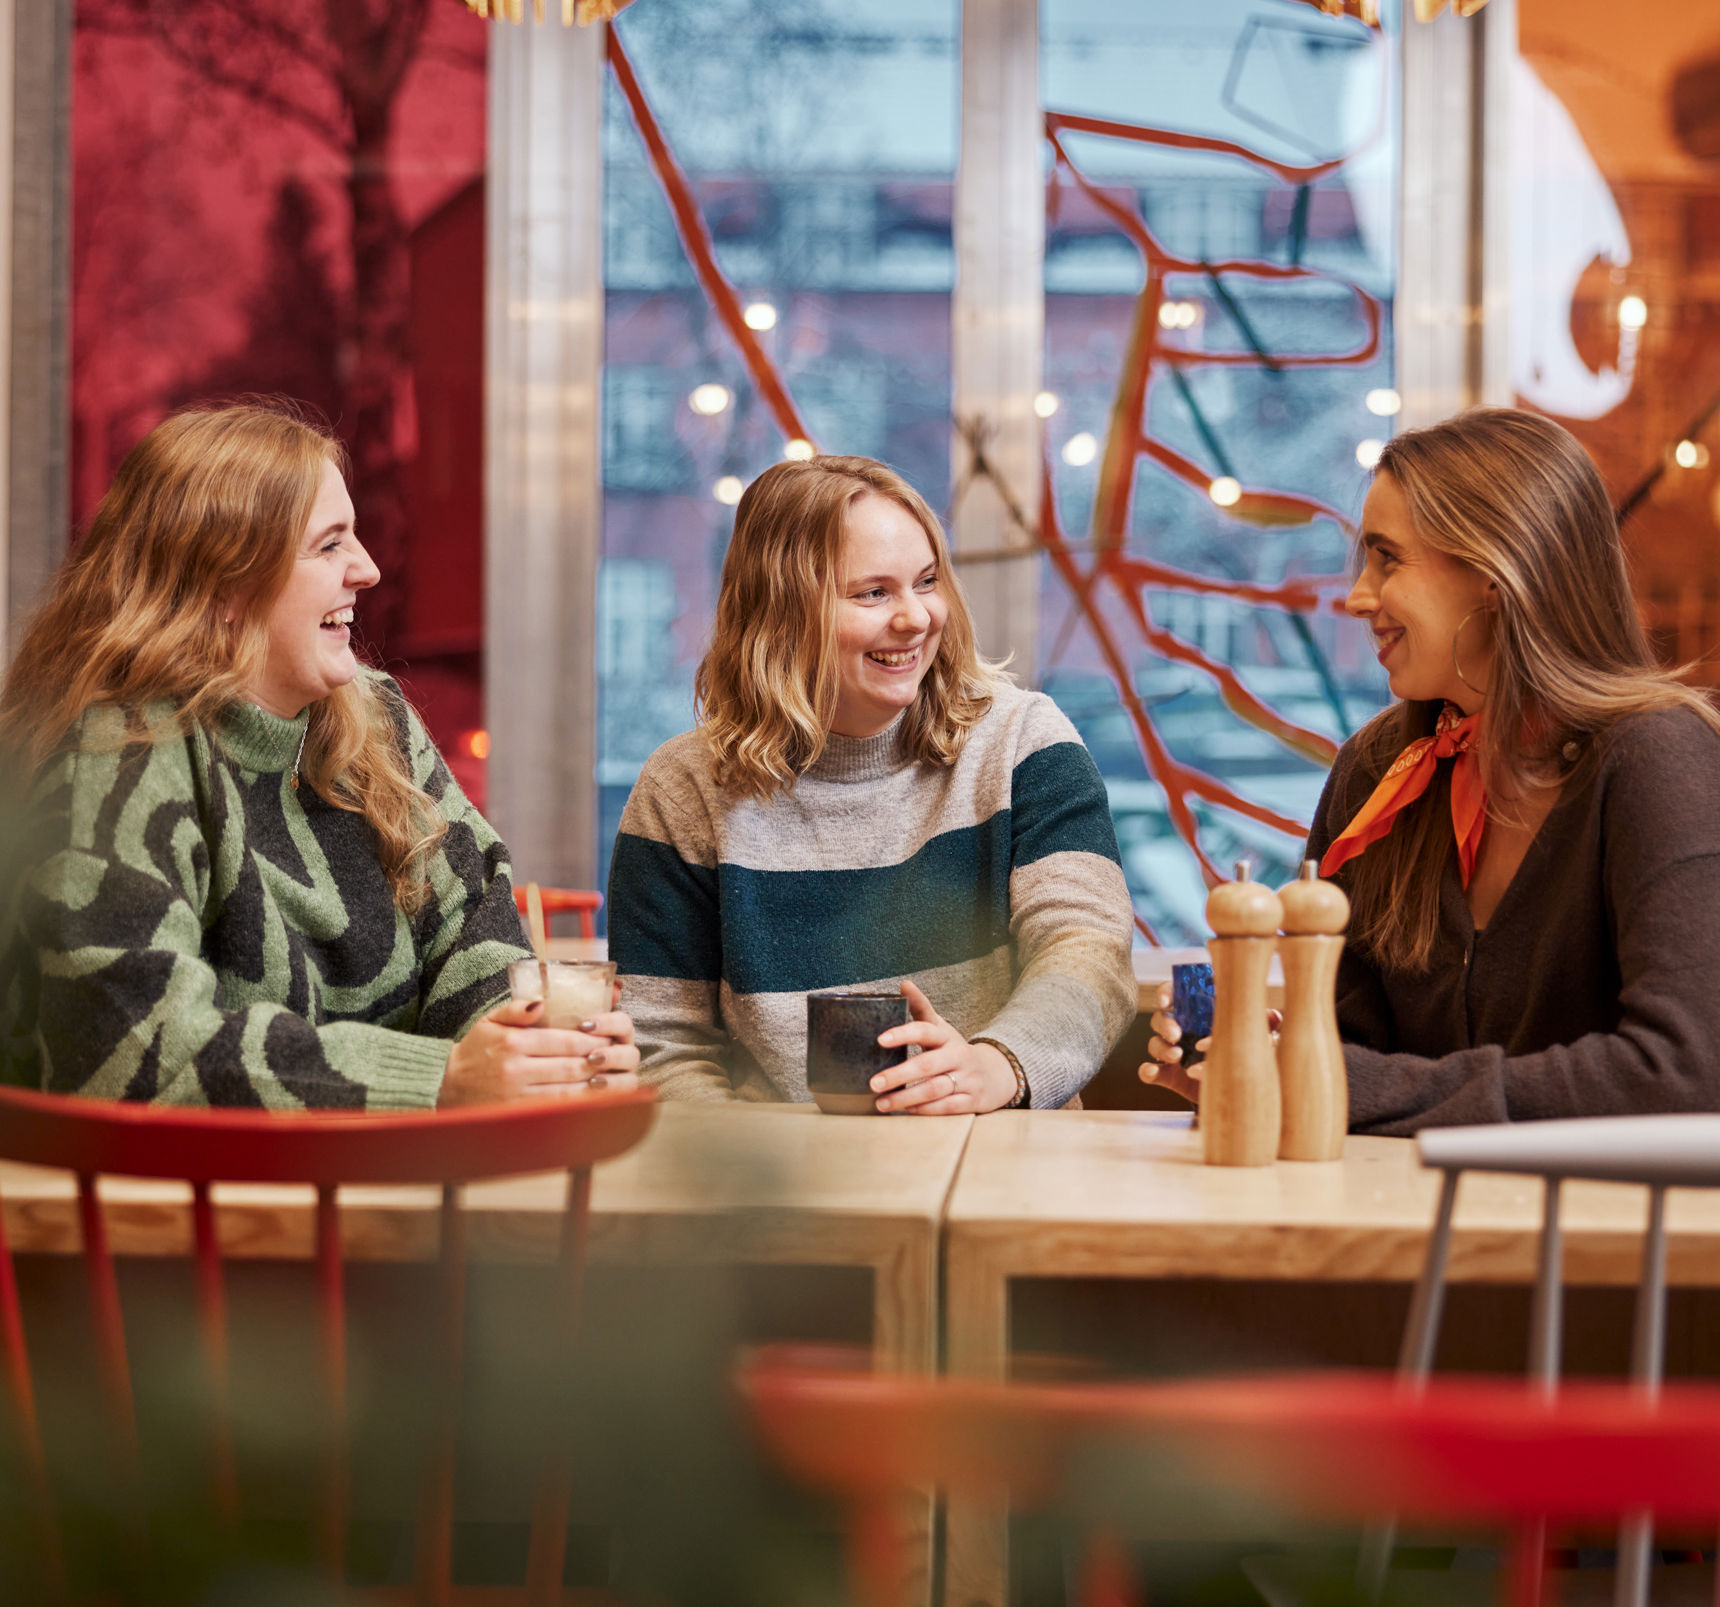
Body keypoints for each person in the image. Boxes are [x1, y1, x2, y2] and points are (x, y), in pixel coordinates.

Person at [0, 401, 638, 1108]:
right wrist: (441, 1078)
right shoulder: (119, 750)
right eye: (330, 545)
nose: (367, 569)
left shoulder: (378, 718)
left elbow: (476, 938)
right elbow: (129, 1055)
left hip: (390, 1171)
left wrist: (528, 1051)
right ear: (225, 586)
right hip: (175, 1184)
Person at [1143, 407, 1720, 1133]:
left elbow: (1688, 1075)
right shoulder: (1376, 769)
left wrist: (1349, 1082)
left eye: (1387, 559)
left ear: (1495, 571)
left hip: (1595, 1212)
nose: (1357, 597)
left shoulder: (1658, 756)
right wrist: (1256, 1068)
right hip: (1395, 1205)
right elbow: (1358, 1060)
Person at [608, 454, 1136, 1111]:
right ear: (782, 614)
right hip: (774, 1169)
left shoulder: (1023, 742)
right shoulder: (682, 789)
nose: (917, 618)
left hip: (1002, 1153)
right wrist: (769, 1163)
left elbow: (1089, 953)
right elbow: (662, 1046)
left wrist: (995, 1066)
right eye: (873, 593)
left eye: (927, 582)